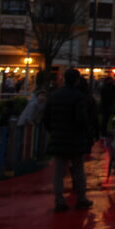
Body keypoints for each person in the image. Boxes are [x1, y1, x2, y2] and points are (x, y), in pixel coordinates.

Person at [43, 69, 93, 212]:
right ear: (77, 80)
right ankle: (81, 198)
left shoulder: (55, 96)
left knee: (59, 171)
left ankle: (59, 200)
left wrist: (54, 130)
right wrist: (87, 134)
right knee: (78, 170)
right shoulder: (79, 97)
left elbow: (46, 117)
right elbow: (81, 119)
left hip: (59, 136)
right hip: (75, 138)